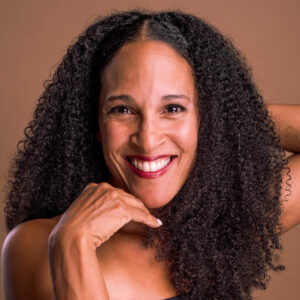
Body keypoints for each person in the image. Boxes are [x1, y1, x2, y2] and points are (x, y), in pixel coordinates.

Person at [1, 9, 300, 300]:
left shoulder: (226, 225)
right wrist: (72, 245)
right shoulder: (37, 246)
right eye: (123, 110)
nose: (148, 139)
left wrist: (224, 118)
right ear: (94, 123)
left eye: (172, 109)